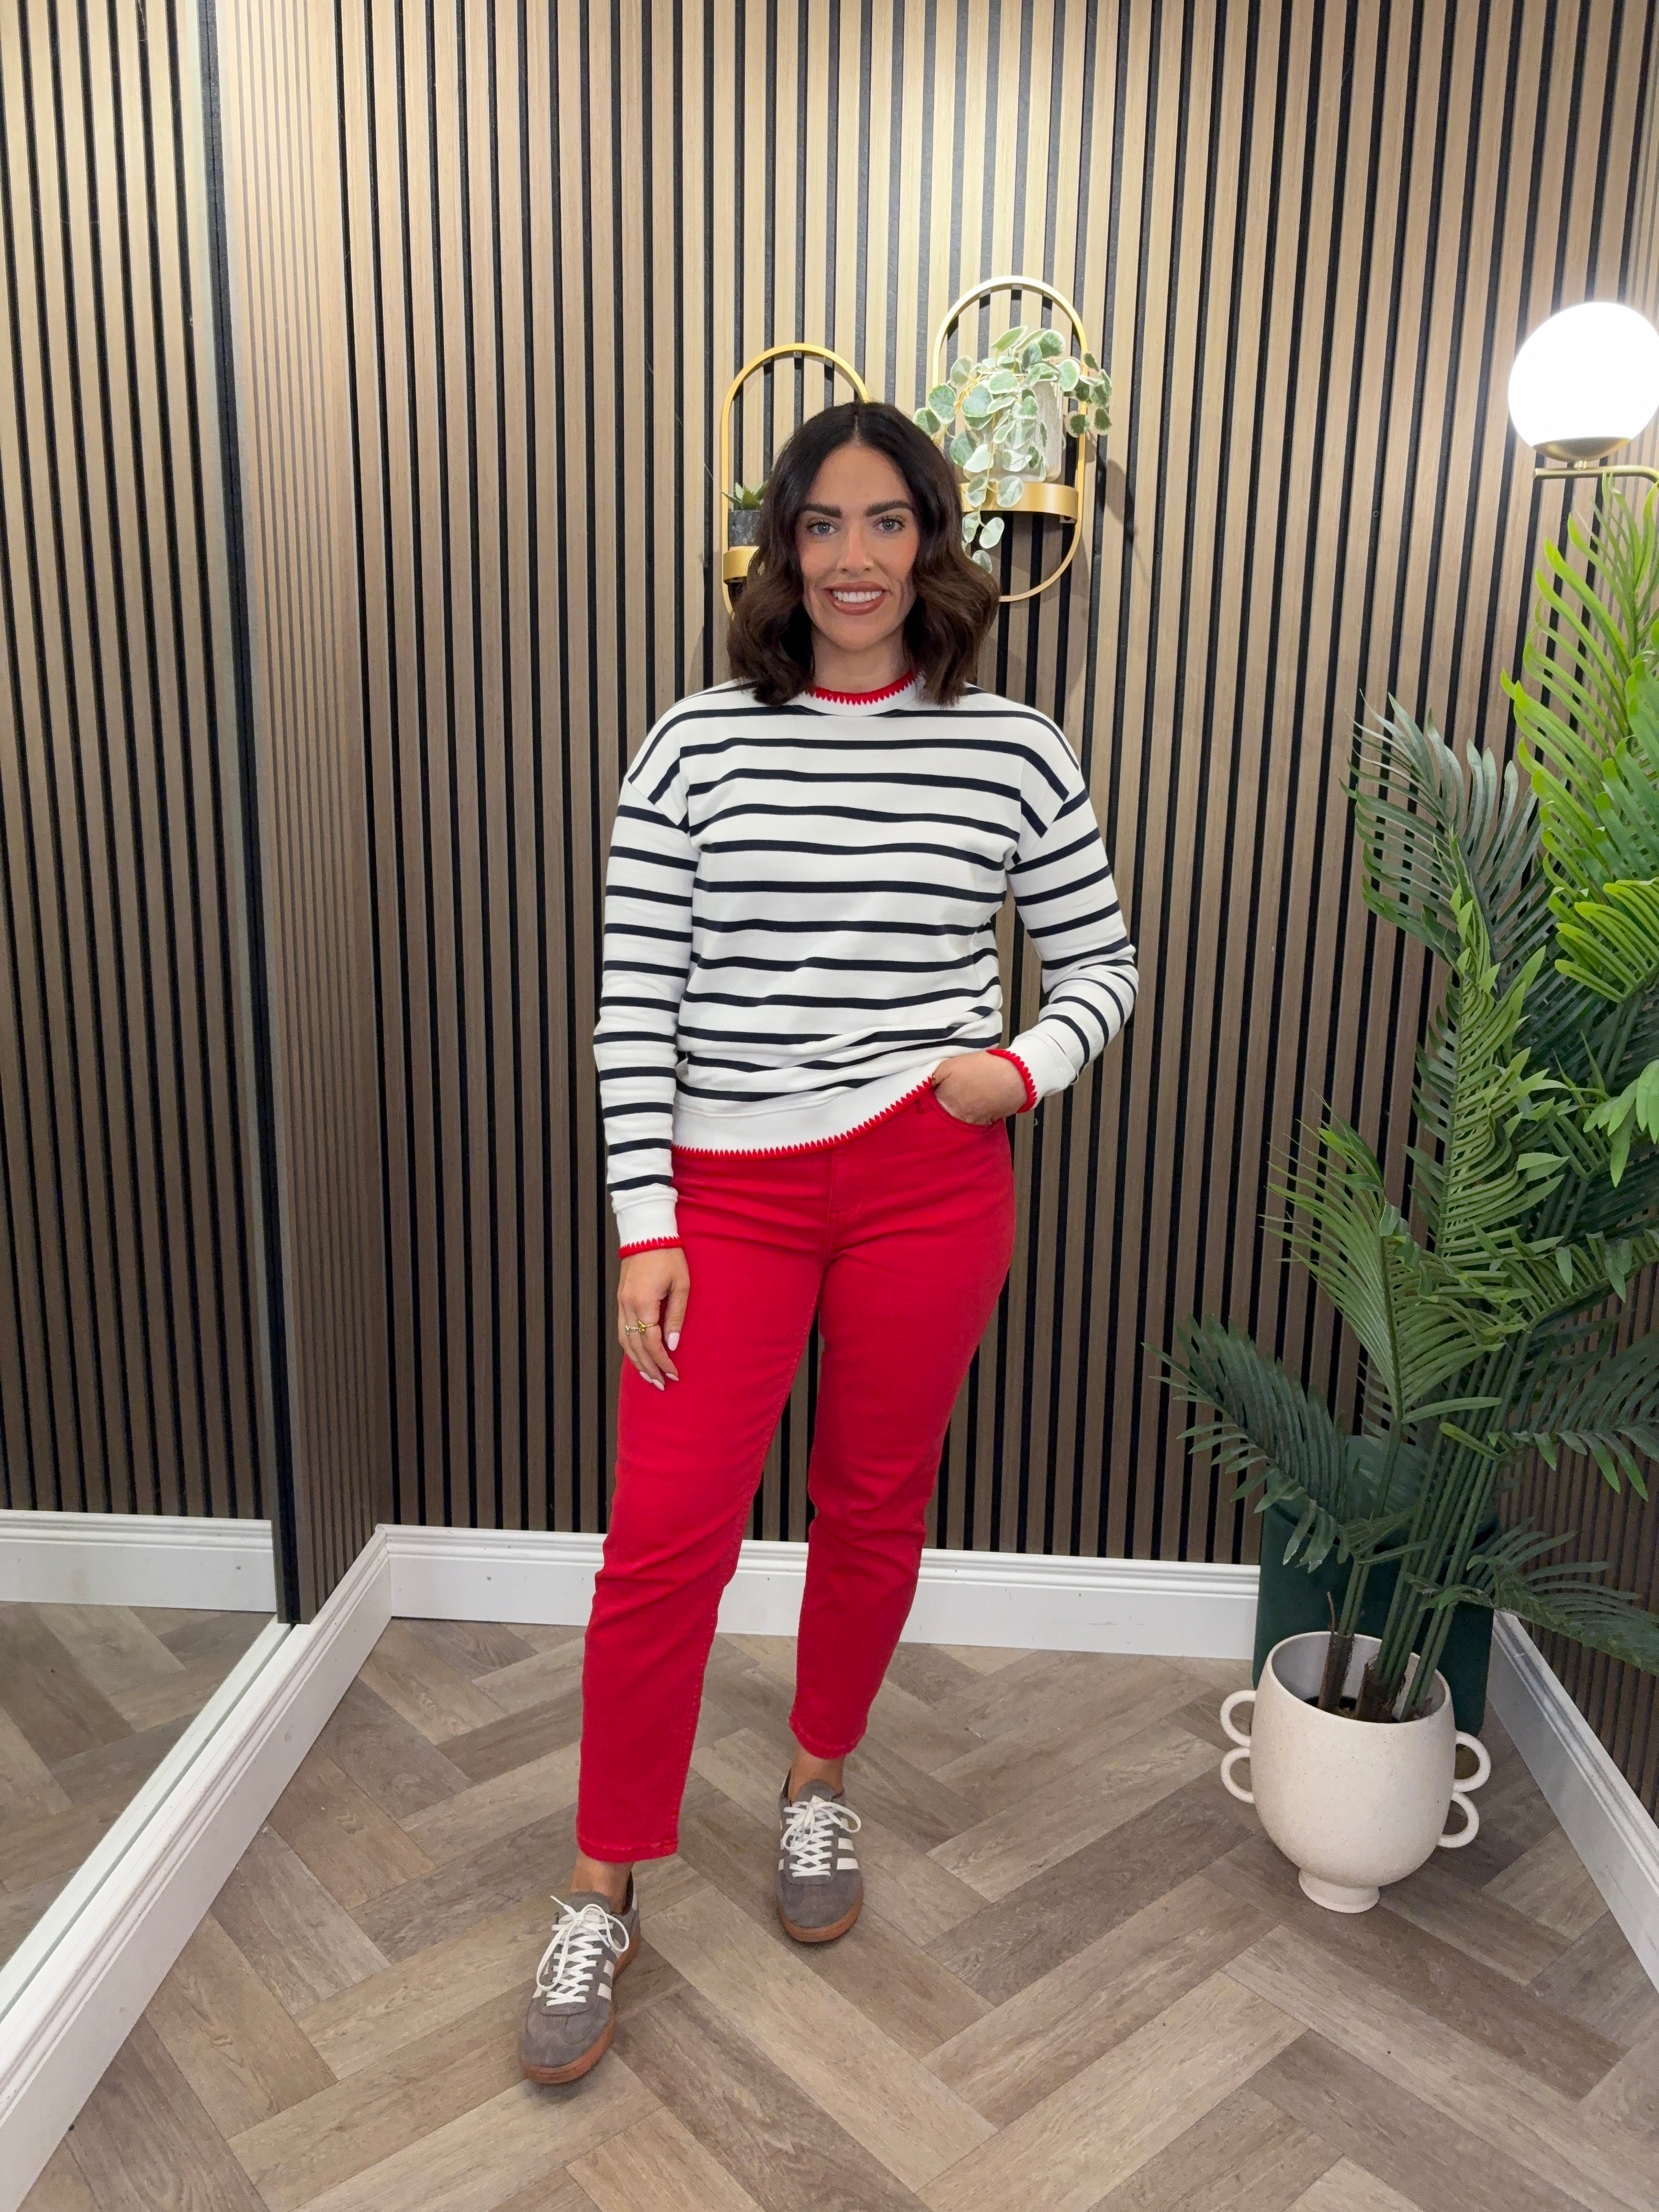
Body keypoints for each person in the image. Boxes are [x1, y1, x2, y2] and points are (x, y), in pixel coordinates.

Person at [520, 398, 1138, 2084]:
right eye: (821, 525)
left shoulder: (1014, 749)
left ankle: (816, 1779)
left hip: (928, 1181)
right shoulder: (696, 745)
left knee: (872, 1501)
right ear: (780, 551)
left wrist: (1018, 1067)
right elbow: (633, 1004)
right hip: (725, 1195)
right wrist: (645, 1221)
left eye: (886, 522)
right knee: (664, 1543)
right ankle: (603, 1878)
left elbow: (1102, 964)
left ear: (931, 543)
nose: (854, 558)